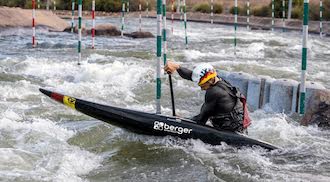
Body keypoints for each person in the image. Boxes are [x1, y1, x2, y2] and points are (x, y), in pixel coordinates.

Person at [164, 61, 251, 134]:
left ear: (209, 81)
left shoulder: (214, 92)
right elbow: (192, 76)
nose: (201, 88)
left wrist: (180, 120)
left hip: (229, 133)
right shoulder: (219, 81)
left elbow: (200, 120)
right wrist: (177, 67)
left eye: (202, 85)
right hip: (240, 130)